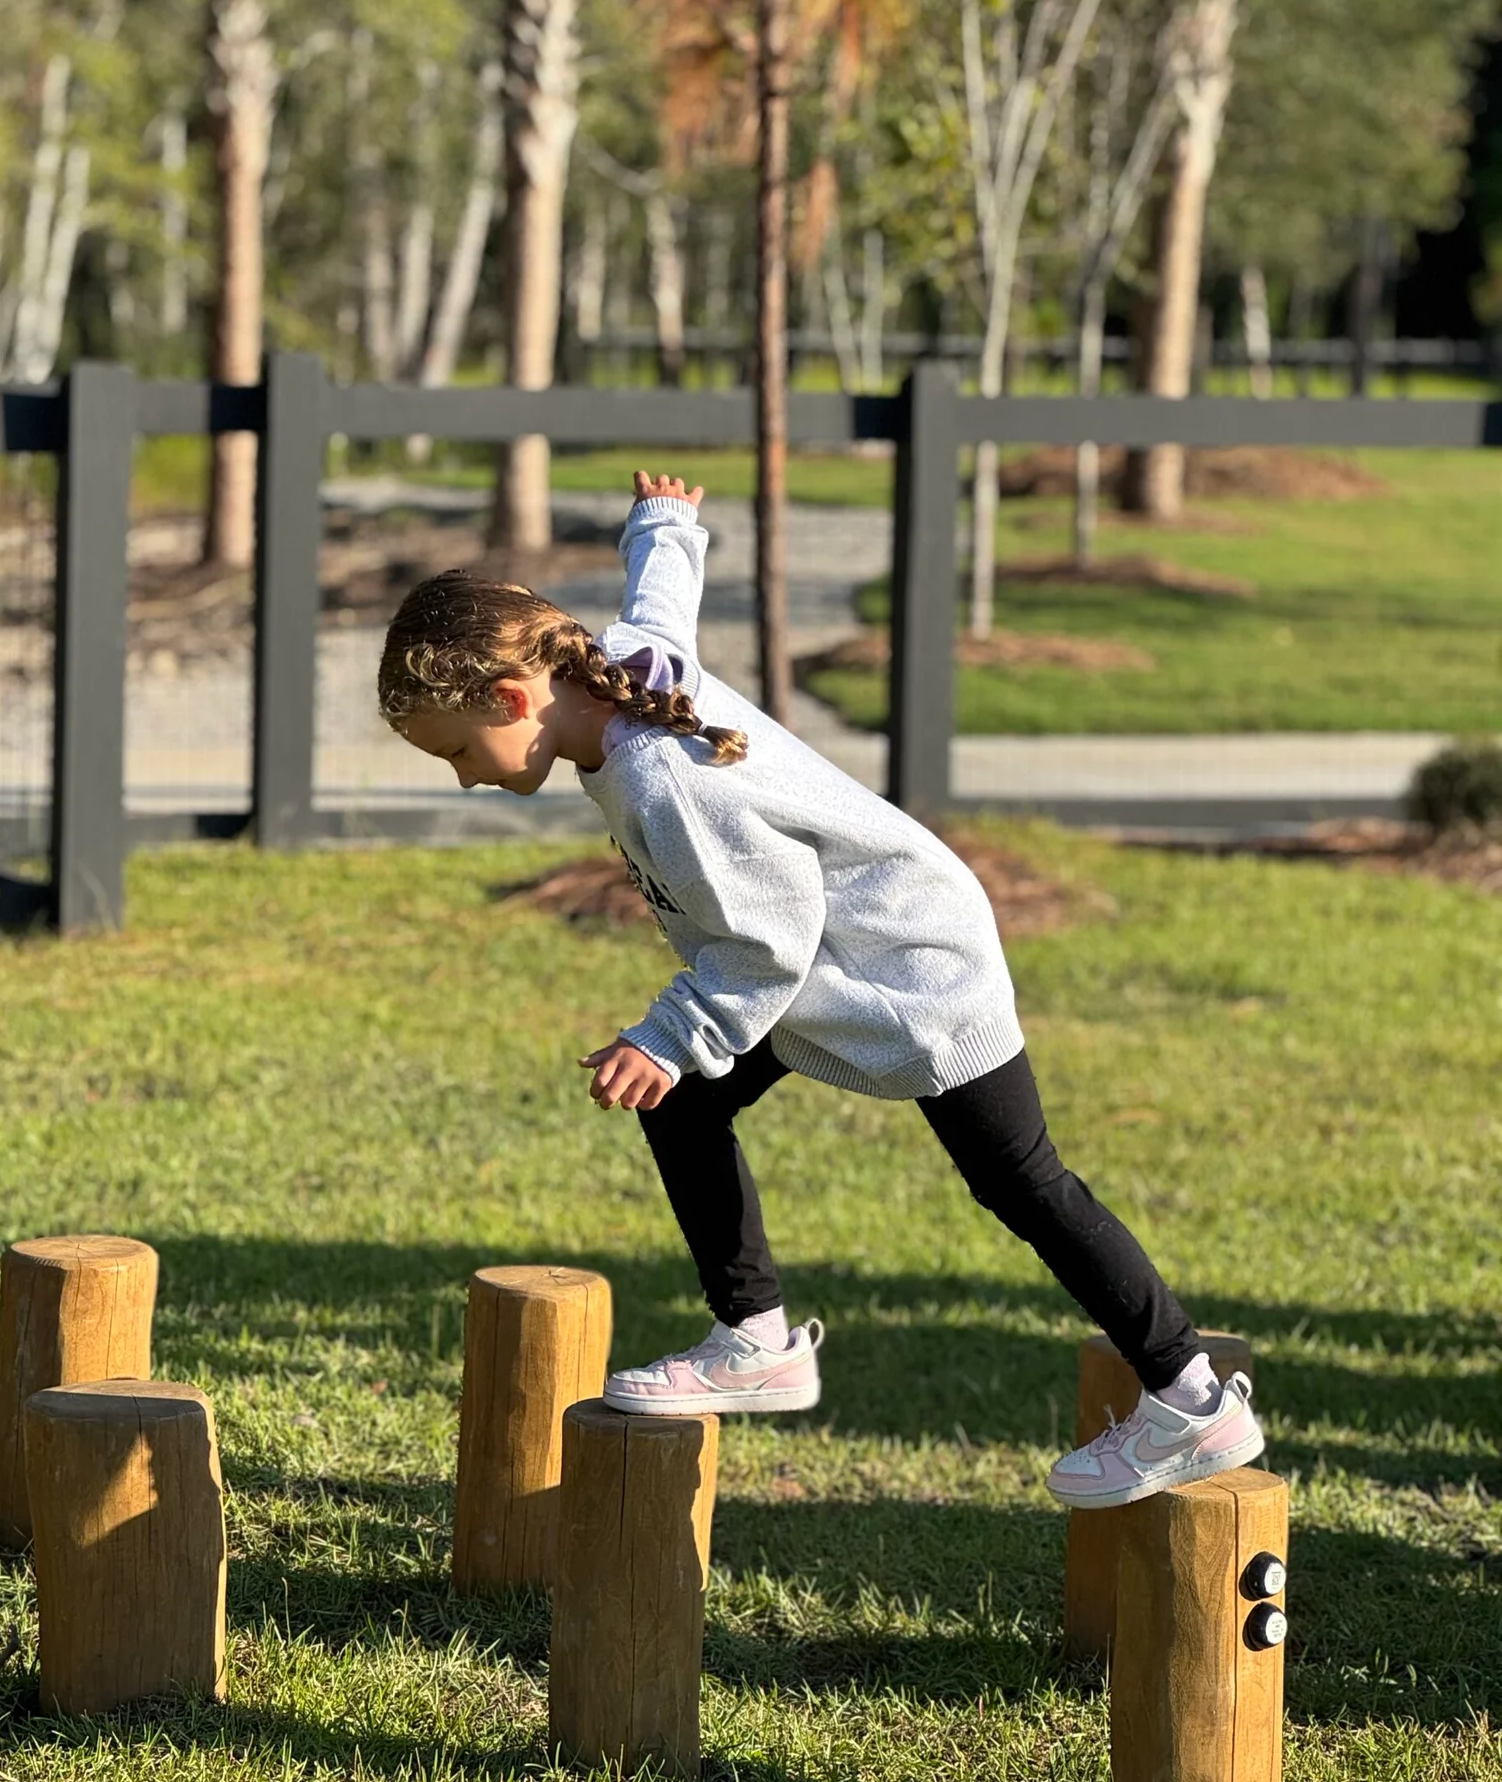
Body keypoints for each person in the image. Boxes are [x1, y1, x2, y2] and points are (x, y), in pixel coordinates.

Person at [377, 470, 1264, 1509]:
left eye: (458, 750)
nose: (465, 777)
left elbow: (766, 946)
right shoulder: (617, 668)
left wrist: (666, 1036)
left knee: (1025, 1185)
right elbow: (660, 600)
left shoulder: (667, 782)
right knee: (687, 1107)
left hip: (909, 971)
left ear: (514, 698)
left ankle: (1194, 1399)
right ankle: (756, 1340)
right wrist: (665, 523)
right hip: (838, 965)